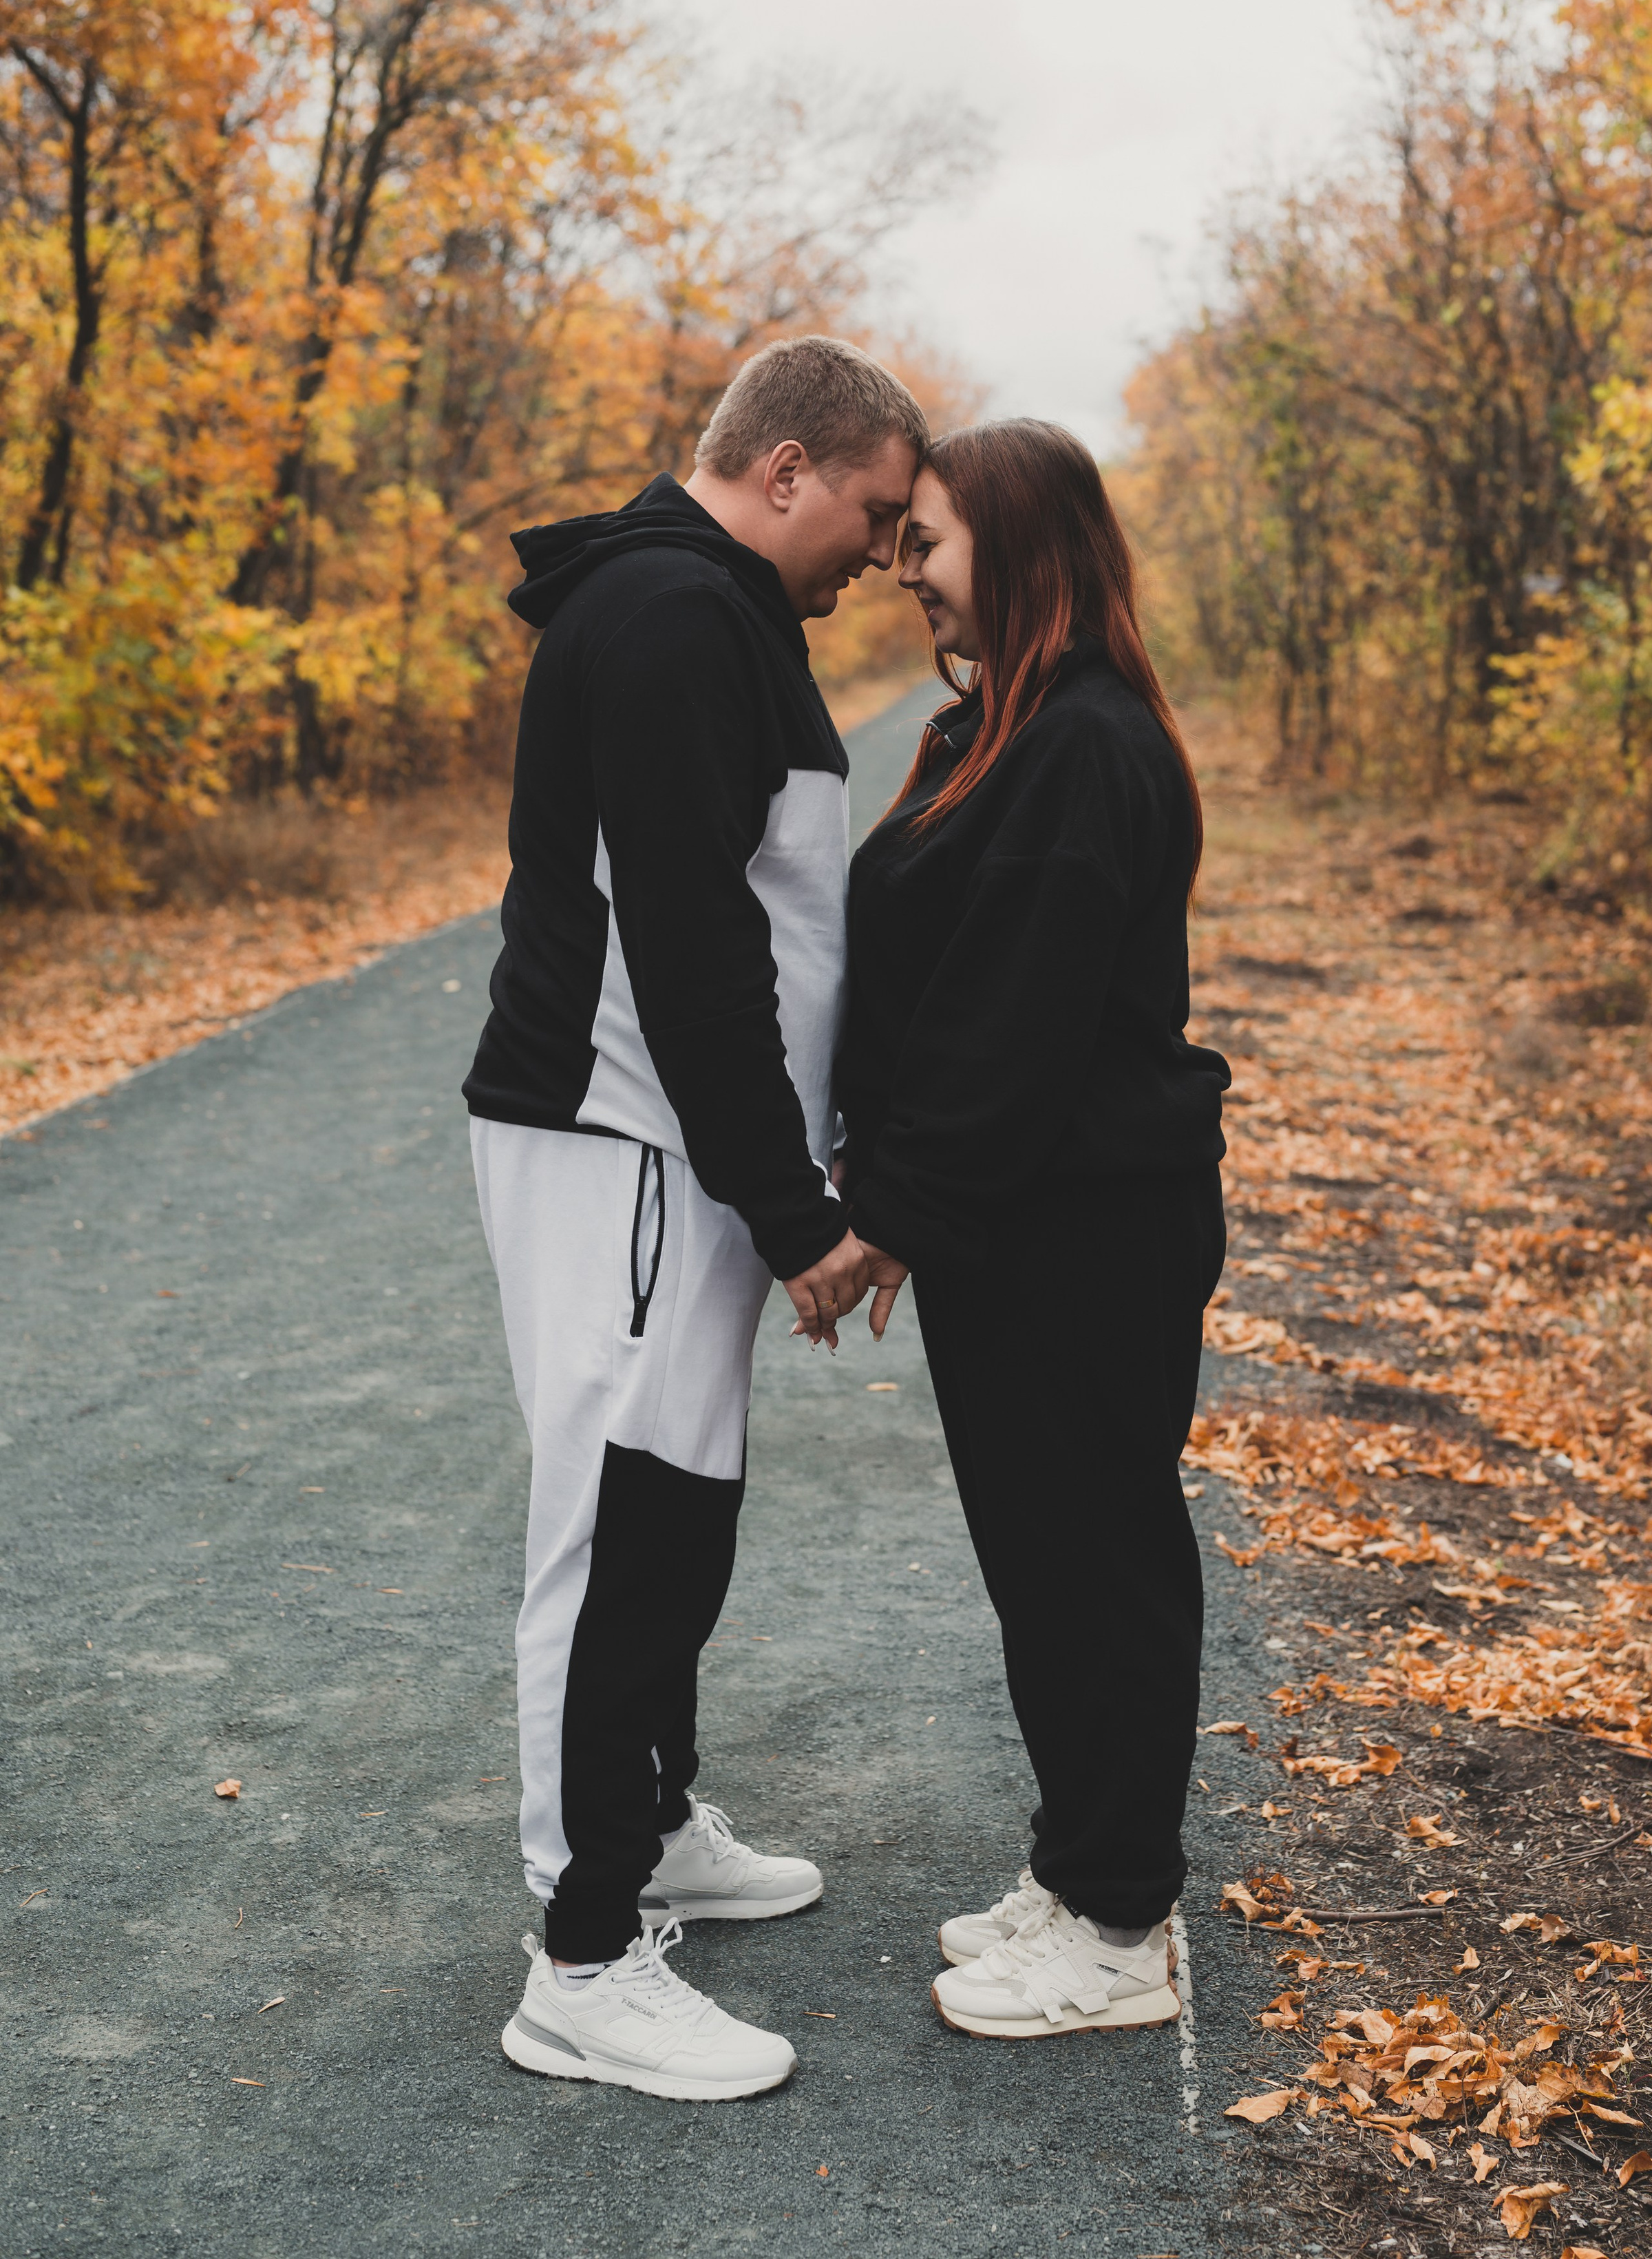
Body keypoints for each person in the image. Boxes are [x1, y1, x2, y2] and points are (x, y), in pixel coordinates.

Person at [462, 335, 924, 2098]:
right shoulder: (668, 616)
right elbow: (685, 946)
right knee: (619, 1528)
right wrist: (789, 1202)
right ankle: (580, 1955)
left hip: (676, 1154)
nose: (880, 556)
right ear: (788, 465)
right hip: (624, 1141)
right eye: (874, 515)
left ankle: (644, 1828)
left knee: (679, 1511)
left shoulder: (721, 614)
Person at [835, 418, 1230, 2041]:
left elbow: (1014, 1019)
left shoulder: (1081, 744)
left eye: (924, 538)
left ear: (1016, 537)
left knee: (1096, 1560)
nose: (904, 572)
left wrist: (886, 1214)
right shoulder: (999, 729)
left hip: (1084, 1225)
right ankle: (1078, 1866)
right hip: (1023, 1222)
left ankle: (1122, 1924)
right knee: (1042, 1558)